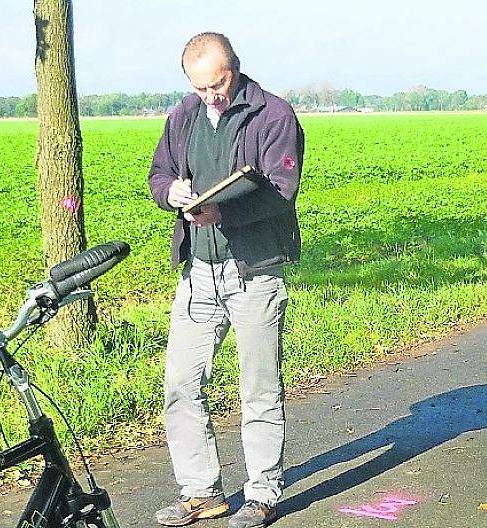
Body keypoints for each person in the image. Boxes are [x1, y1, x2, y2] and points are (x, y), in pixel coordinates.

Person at [147, 32, 304, 528]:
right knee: (180, 383)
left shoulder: (274, 115)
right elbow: (157, 173)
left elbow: (281, 191)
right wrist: (171, 192)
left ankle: (262, 493)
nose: (211, 96)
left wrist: (223, 213)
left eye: (218, 84)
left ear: (234, 69)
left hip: (255, 270)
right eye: (201, 88)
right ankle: (201, 493)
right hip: (198, 271)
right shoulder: (183, 115)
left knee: (259, 389)